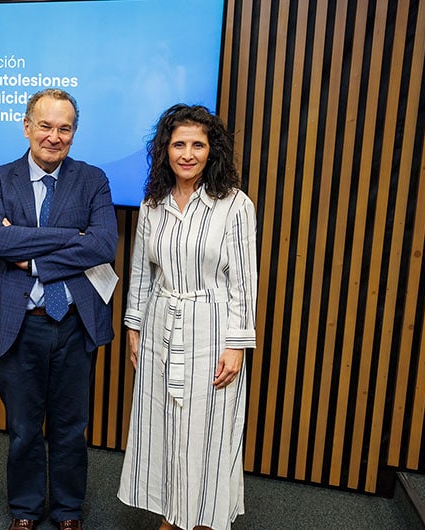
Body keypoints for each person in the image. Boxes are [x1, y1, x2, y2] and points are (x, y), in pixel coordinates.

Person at [0, 88, 119, 530]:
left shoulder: (93, 179)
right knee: (22, 429)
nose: (54, 136)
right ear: (27, 126)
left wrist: (32, 254)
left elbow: (103, 245)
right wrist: (70, 237)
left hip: (75, 324)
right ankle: (24, 509)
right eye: (45, 125)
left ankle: (67, 509)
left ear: (74, 134)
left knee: (70, 427)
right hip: (20, 324)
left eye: (65, 128)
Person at [118, 104, 258, 530]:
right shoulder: (153, 203)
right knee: (164, 425)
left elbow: (243, 282)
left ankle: (201, 519)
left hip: (212, 331)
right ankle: (170, 515)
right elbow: (142, 271)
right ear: (165, 150)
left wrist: (236, 345)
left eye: (198, 144)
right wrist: (133, 327)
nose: (188, 153)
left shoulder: (234, 205)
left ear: (212, 150)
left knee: (206, 430)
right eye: (179, 144)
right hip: (161, 324)